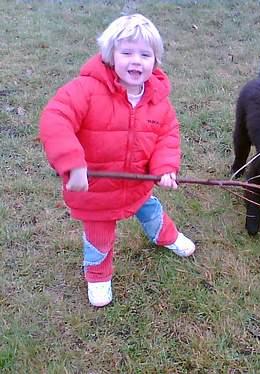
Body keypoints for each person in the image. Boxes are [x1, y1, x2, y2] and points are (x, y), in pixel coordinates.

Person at [39, 14, 195, 308]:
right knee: (99, 239)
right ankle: (98, 275)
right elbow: (55, 118)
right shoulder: (85, 89)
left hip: (138, 184)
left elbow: (167, 135)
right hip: (95, 191)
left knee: (152, 213)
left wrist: (164, 167)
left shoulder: (157, 99)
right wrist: (72, 163)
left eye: (145, 55)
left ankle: (166, 236)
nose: (136, 61)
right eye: (127, 53)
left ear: (156, 61)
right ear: (110, 55)